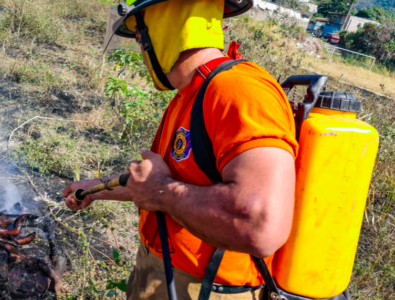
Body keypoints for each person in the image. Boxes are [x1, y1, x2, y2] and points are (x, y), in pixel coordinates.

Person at [64, 0, 298, 299]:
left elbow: (260, 227)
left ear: (164, 27)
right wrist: (95, 189)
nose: (142, 54)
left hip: (208, 288)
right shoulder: (193, 92)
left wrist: (161, 191)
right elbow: (165, 182)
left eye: (140, 39)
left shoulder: (238, 91)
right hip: (165, 273)